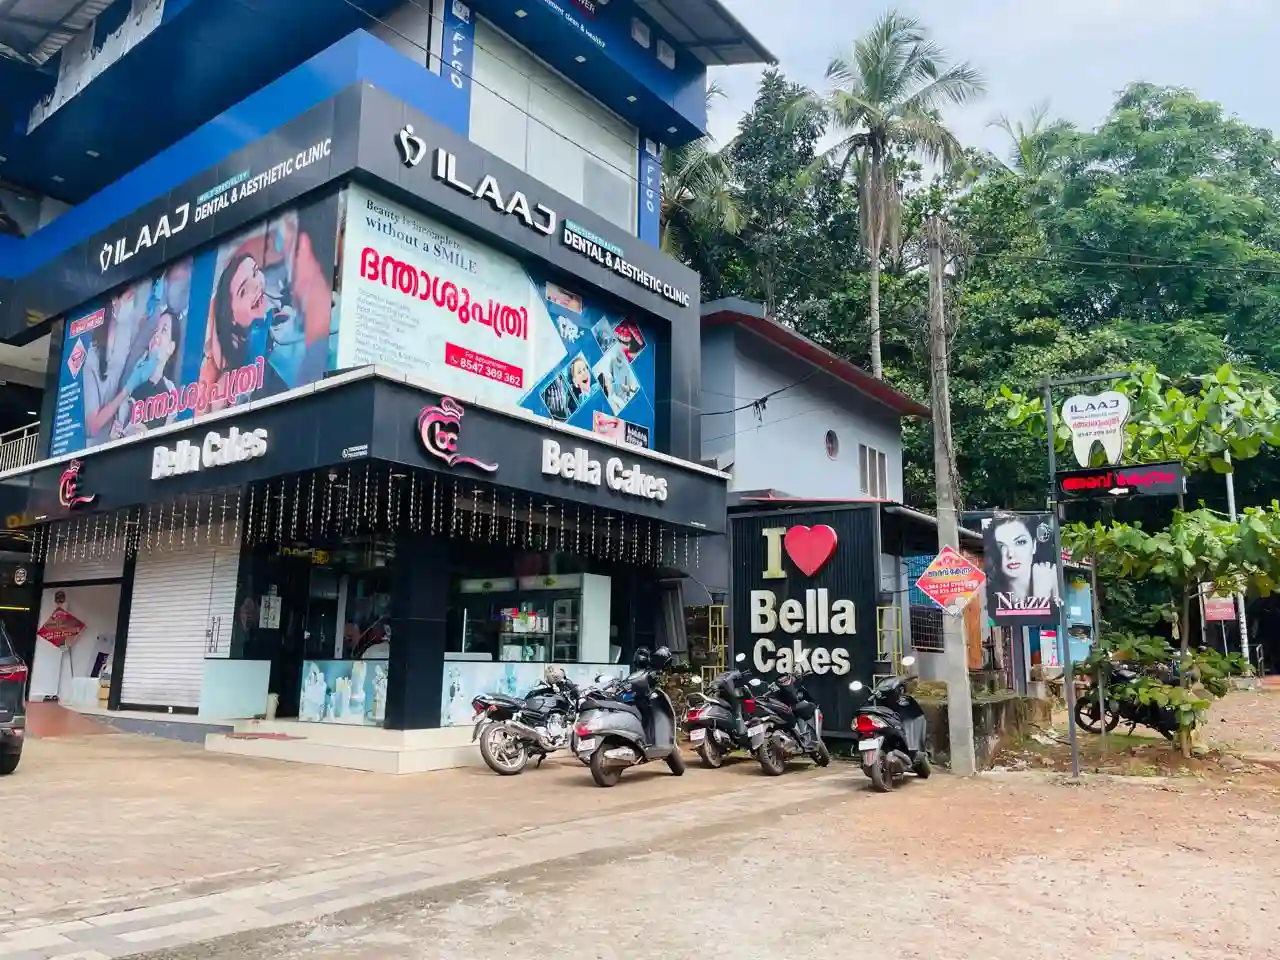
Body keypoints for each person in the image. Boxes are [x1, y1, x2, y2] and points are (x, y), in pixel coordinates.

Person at [986, 516, 1057, 610]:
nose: (1010, 554)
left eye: (1020, 542)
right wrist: (1040, 596)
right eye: (1002, 546)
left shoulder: (1051, 576)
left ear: (1034, 545)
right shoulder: (989, 594)